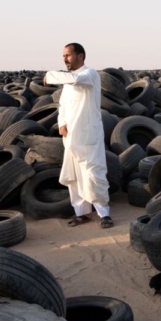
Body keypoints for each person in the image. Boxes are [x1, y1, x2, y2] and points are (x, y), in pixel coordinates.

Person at [44, 43, 112, 229]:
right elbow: (64, 105)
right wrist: (62, 123)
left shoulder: (90, 74)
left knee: (93, 173)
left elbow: (76, 80)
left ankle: (104, 213)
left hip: (89, 134)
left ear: (80, 56)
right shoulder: (68, 82)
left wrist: (50, 76)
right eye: (63, 56)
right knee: (74, 176)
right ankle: (83, 214)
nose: (64, 59)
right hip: (72, 136)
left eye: (68, 55)